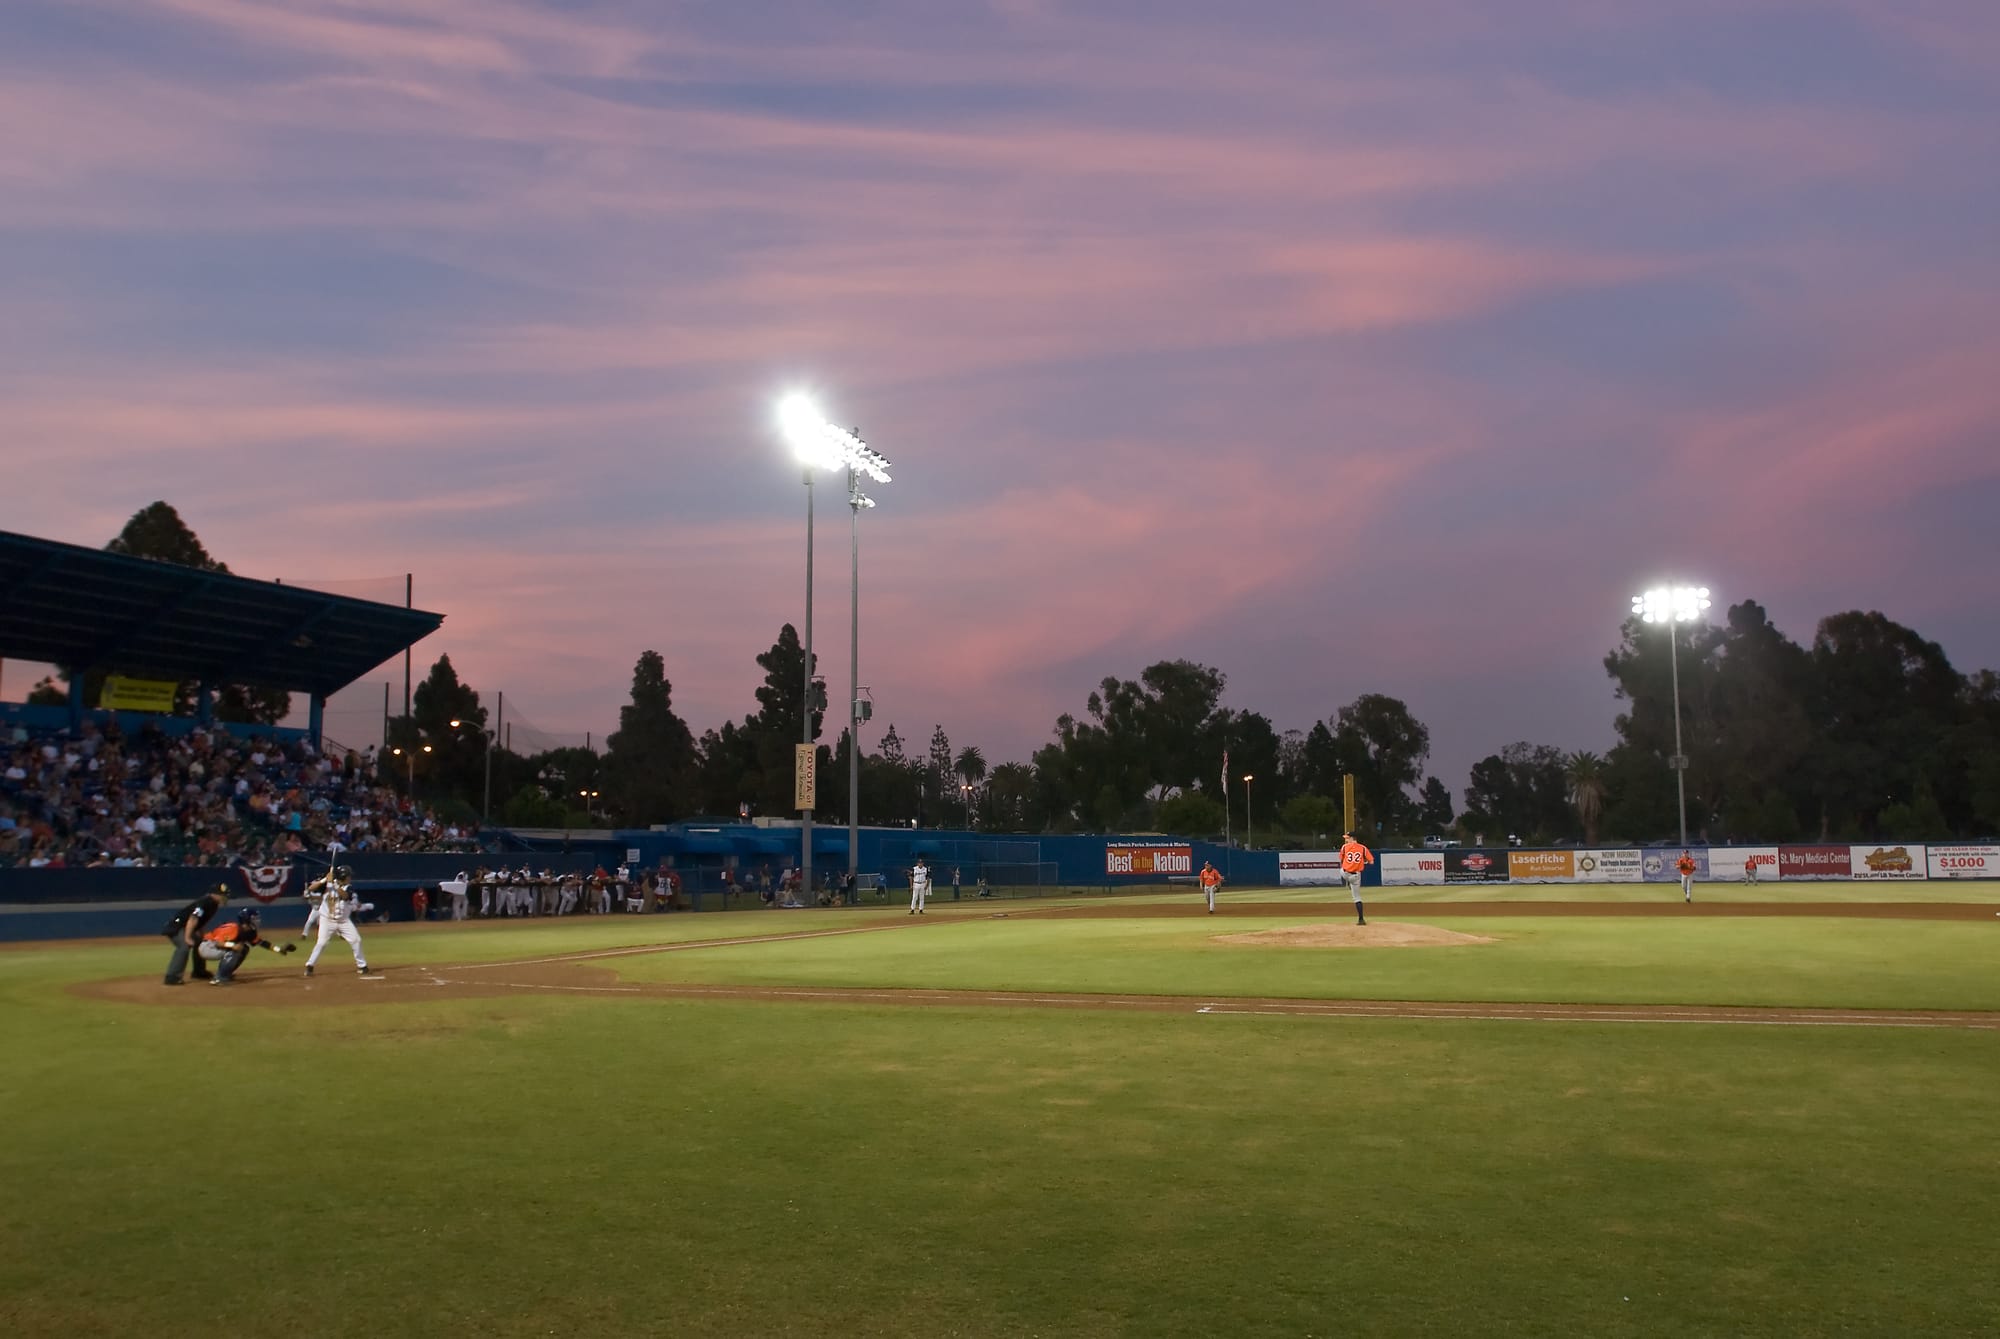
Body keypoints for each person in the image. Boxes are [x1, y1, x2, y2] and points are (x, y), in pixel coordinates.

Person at [303, 866, 374, 977]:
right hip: (327, 920)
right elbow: (311, 889)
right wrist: (325, 880)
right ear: (343, 877)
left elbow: (345, 896)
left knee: (356, 940)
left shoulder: (348, 888)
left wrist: (334, 884)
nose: (350, 878)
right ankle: (309, 965)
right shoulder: (327, 884)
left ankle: (362, 966)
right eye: (348, 876)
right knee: (322, 943)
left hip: (343, 921)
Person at [198, 905, 295, 984]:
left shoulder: (250, 932)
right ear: (246, 919)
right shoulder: (233, 928)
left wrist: (279, 950)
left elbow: (263, 943)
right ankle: (219, 978)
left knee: (244, 948)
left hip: (216, 946)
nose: (257, 921)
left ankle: (226, 973)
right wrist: (233, 946)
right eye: (254, 918)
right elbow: (218, 943)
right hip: (207, 947)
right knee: (236, 949)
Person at [163, 884, 231, 985]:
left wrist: (202, 936)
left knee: (200, 943)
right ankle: (172, 976)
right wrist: (187, 937)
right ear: (215, 894)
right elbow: (193, 918)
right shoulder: (205, 902)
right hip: (176, 927)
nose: (225, 897)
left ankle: (199, 972)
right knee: (184, 946)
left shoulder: (213, 904)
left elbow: (201, 921)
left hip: (185, 927)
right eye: (223, 895)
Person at [1338, 831, 1374, 926]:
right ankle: (1361, 919)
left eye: (1347, 838)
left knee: (1341, 870)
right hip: (1356, 876)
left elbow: (1341, 859)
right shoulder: (1363, 848)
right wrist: (1364, 861)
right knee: (1357, 898)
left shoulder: (1344, 847)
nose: (1346, 839)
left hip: (1345, 873)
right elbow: (1371, 862)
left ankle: (1348, 882)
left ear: (1352, 838)